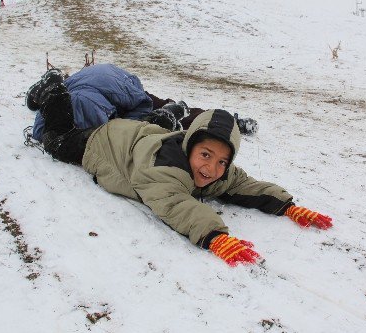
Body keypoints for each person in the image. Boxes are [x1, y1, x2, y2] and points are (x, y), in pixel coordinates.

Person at [26, 70, 333, 266]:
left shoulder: (209, 167)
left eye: (222, 161)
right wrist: (215, 235)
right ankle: (54, 92)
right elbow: (176, 205)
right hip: (100, 143)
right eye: (206, 155)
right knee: (56, 140)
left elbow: (243, 184)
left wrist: (288, 206)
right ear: (190, 147)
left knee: (152, 124)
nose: (211, 168)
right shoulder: (162, 172)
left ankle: (164, 116)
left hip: (137, 133)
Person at [26, 63, 258, 142]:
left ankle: (229, 122)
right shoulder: (53, 106)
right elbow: (40, 132)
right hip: (94, 83)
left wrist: (153, 120)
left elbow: (142, 106)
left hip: (120, 84)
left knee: (160, 110)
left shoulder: (120, 91)